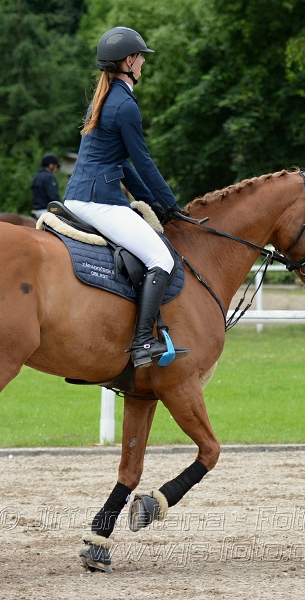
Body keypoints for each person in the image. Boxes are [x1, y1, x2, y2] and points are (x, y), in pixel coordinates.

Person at [62, 26, 184, 369]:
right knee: (162, 259)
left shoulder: (102, 99)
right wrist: (171, 203)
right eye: (142, 57)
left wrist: (156, 203)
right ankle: (144, 340)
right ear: (129, 60)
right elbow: (142, 161)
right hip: (99, 200)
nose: (144, 62)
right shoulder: (125, 106)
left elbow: (123, 163)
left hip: (79, 196)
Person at [31, 154, 61, 220]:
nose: (56, 170)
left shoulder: (36, 176)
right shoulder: (49, 177)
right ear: (51, 165)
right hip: (46, 211)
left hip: (35, 210)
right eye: (56, 167)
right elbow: (53, 196)